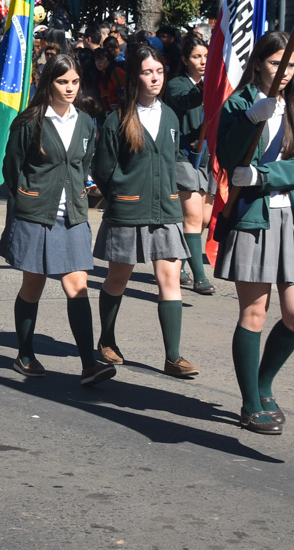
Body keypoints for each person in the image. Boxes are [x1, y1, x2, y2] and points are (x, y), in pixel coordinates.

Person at [214, 31, 294, 435]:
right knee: (254, 313)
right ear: (259, 63)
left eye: (291, 65)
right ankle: (249, 404)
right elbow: (227, 155)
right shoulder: (238, 104)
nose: (284, 72)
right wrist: (249, 120)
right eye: (277, 63)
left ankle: (263, 383)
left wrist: (264, 175)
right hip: (253, 218)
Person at [0, 53, 116, 386]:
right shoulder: (29, 121)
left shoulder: (86, 122)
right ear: (48, 83)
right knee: (32, 286)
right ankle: (25, 353)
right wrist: (27, 196)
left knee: (78, 287)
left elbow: (83, 164)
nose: (70, 88)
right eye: (62, 81)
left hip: (73, 215)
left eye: (75, 81)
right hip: (36, 214)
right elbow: (12, 167)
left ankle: (89, 364)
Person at [92, 45, 203, 382]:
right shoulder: (117, 119)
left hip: (166, 209)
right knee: (118, 278)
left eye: (159, 71)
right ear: (134, 77)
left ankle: (173, 356)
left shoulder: (170, 116)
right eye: (147, 72)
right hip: (128, 209)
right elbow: (102, 169)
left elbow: (172, 158)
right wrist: (121, 195)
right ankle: (106, 339)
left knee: (170, 279)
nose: (155, 78)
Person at [161, 33, 215, 294]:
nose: (203, 61)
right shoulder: (176, 85)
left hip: (208, 157)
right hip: (183, 156)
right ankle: (200, 277)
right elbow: (187, 100)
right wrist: (208, 88)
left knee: (203, 219)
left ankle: (180, 263)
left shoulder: (214, 85)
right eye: (196, 57)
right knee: (192, 217)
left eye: (206, 56)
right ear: (185, 59)